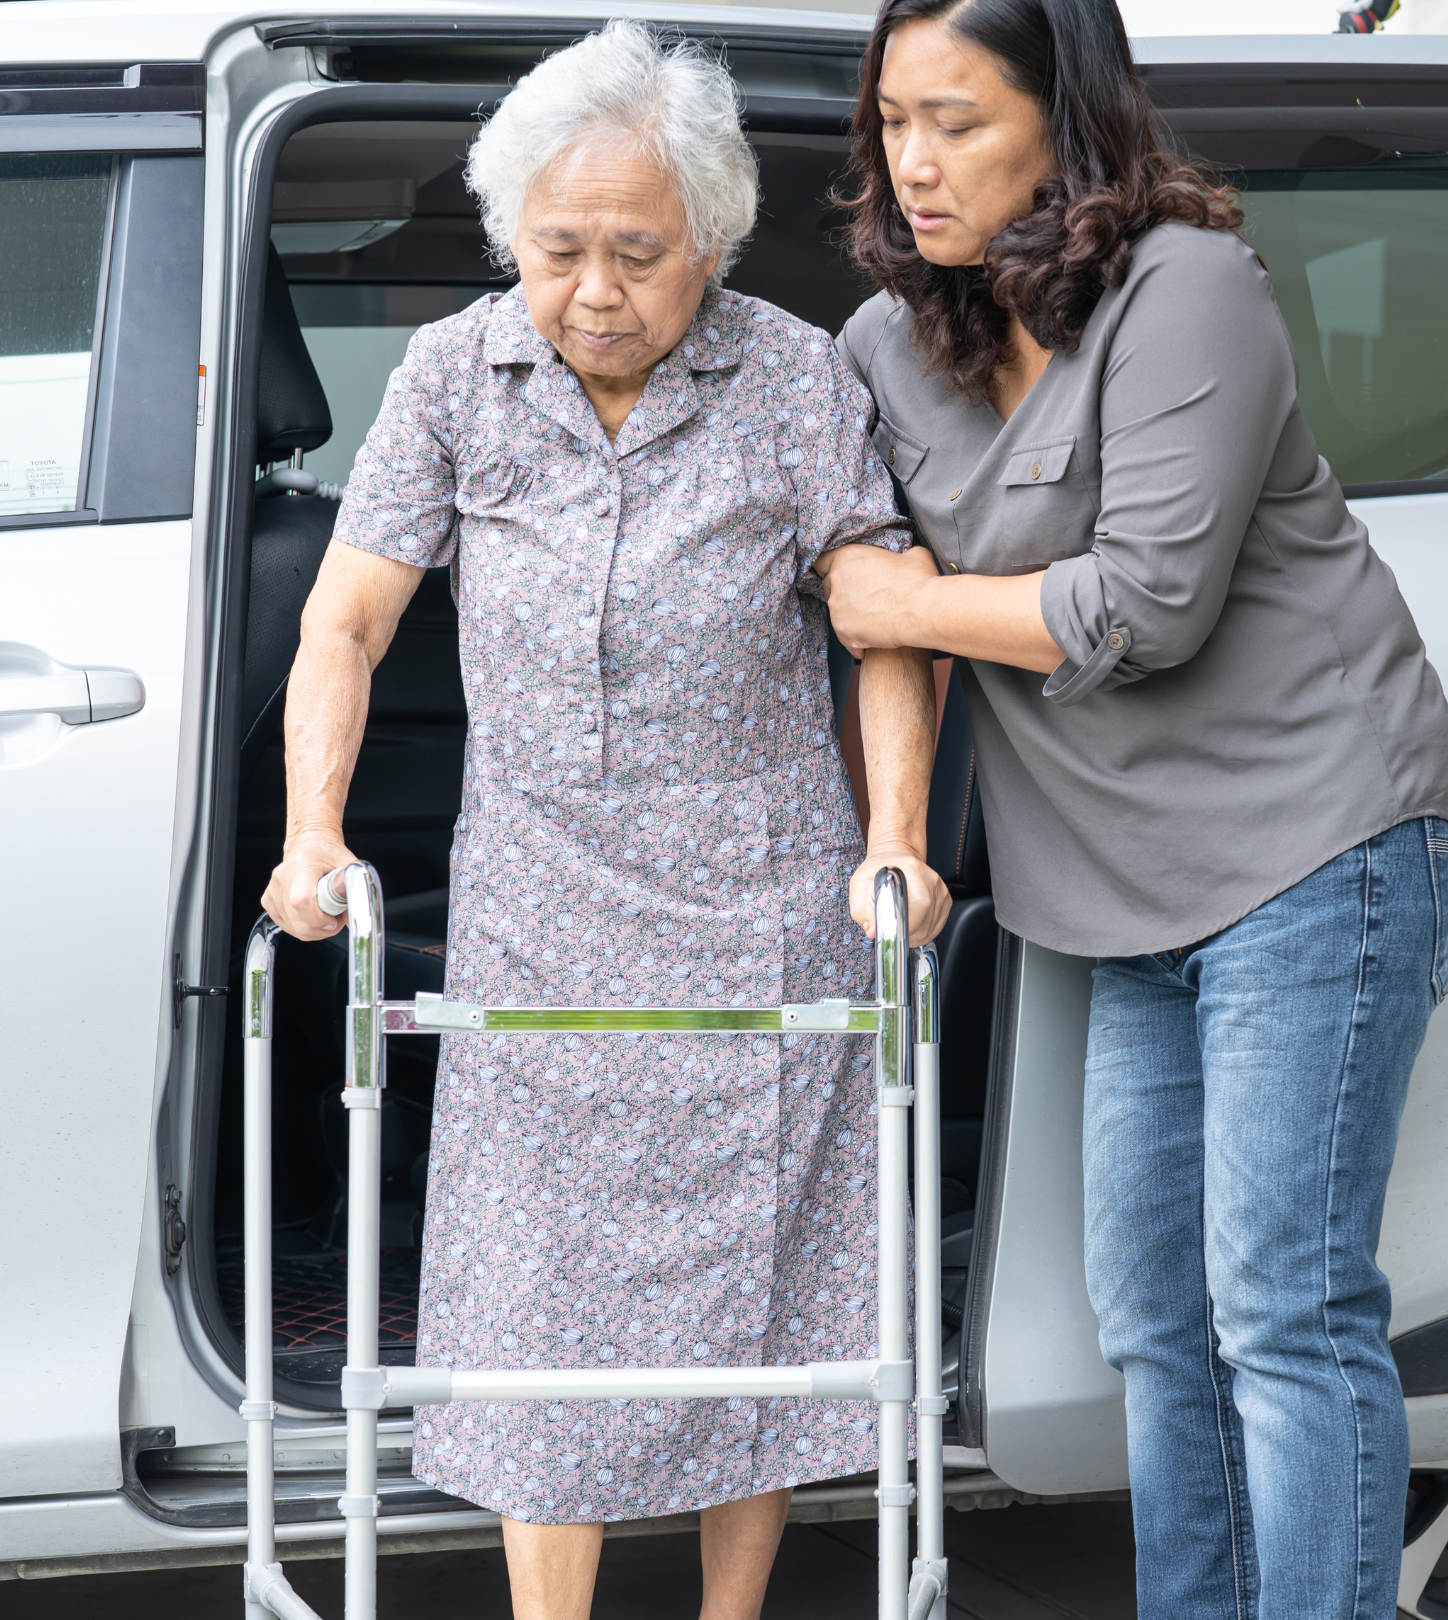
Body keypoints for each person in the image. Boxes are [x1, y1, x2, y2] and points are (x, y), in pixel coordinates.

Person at [259, 23, 948, 1620]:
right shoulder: (454, 372)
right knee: (541, 1327)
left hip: (761, 917)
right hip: (540, 922)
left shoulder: (791, 374)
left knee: (757, 1321)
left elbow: (884, 626)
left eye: (637, 253)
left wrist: (892, 842)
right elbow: (346, 625)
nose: (593, 291)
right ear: (512, 237)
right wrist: (314, 833)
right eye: (558, 249)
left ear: (706, 239)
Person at [822, 0, 1448, 1615]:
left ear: (1067, 116)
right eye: (894, 120)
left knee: (1284, 1309)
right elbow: (850, 584)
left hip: (1319, 843)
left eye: (958, 122)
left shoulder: (1189, 287)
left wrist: (901, 601)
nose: (914, 161)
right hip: (1119, 900)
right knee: (1155, 1324)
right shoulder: (879, 349)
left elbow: (1142, 611)